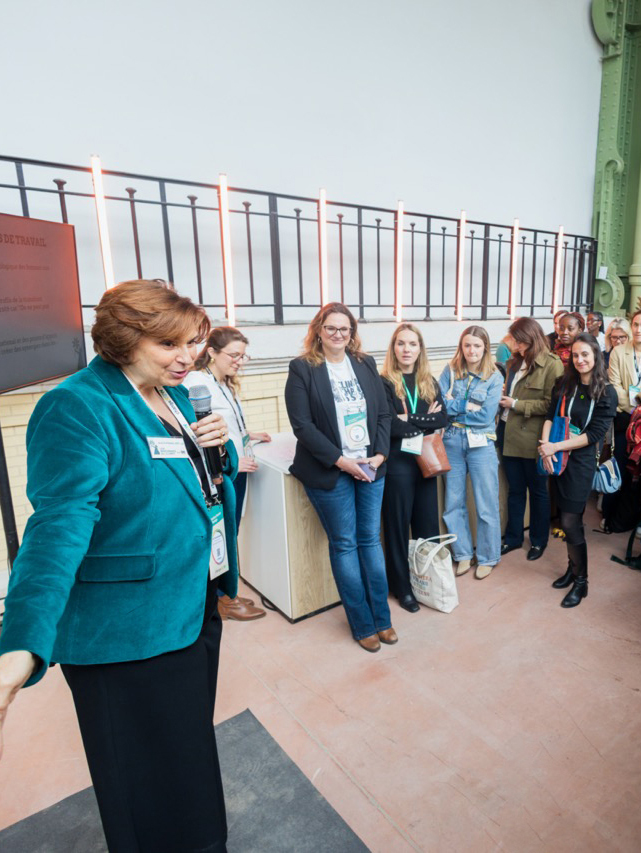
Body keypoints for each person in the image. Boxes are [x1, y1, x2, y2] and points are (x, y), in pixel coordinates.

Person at [0, 280, 237, 853]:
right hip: (127, 632)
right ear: (124, 339)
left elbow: (199, 482)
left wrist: (221, 448)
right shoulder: (77, 406)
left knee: (185, 755)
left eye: (195, 343)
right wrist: (20, 645)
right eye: (170, 345)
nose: (188, 357)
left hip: (190, 605)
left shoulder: (174, 393)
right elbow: (57, 526)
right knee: (148, 784)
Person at [284, 302, 394, 652]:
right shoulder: (303, 368)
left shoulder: (364, 363)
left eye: (344, 329)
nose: (338, 334)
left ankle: (383, 619)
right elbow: (303, 426)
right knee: (345, 544)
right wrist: (340, 461)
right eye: (331, 328)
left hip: (371, 467)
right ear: (318, 330)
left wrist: (379, 454)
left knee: (370, 541)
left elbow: (383, 414)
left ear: (352, 332)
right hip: (331, 472)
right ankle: (363, 624)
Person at [185, 327, 271, 621]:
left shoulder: (223, 382)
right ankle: (223, 599)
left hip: (236, 466)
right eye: (233, 355)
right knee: (223, 532)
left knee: (230, 530)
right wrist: (232, 459)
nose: (240, 361)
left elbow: (226, 426)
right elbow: (199, 435)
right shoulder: (197, 383)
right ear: (211, 352)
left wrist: (248, 436)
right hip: (222, 472)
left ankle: (226, 593)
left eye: (243, 356)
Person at [539, 333, 616, 607]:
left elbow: (593, 434)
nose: (580, 359)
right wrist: (547, 444)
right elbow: (550, 416)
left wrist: (555, 447)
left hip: (579, 463)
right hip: (556, 457)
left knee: (571, 522)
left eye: (585, 354)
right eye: (575, 355)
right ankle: (572, 571)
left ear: (596, 356)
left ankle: (581, 582)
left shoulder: (606, 391)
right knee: (563, 517)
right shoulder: (564, 383)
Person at [379, 323, 448, 612]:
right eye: (401, 343)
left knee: (427, 526)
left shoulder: (429, 381)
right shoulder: (382, 382)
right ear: (393, 348)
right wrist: (420, 418)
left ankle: (426, 580)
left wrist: (408, 417)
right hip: (397, 464)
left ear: (420, 349)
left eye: (412, 344)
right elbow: (388, 423)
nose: (406, 349)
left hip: (426, 463)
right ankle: (402, 587)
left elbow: (442, 419)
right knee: (396, 528)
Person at [438, 325, 503, 579]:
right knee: (453, 502)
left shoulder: (494, 377)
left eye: (476, 345)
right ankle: (463, 554)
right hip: (452, 441)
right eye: (467, 345)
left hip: (481, 444)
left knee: (486, 503)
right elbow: (440, 406)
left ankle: (488, 556)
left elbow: (487, 415)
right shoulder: (451, 370)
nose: (471, 350)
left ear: (485, 347)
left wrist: (455, 407)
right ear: (461, 346)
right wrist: (467, 406)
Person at [498, 317, 564, 560]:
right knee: (515, 491)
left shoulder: (552, 364)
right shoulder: (513, 362)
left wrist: (516, 404)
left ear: (530, 337)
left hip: (534, 436)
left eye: (518, 340)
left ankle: (538, 541)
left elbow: (550, 404)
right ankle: (514, 538)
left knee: (538, 491)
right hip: (507, 432)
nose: (515, 344)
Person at [603, 310, 641, 531]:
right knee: (619, 465)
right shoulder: (619, 351)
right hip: (625, 418)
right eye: (635, 324)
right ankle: (612, 518)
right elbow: (615, 387)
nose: (638, 329)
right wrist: (636, 405)